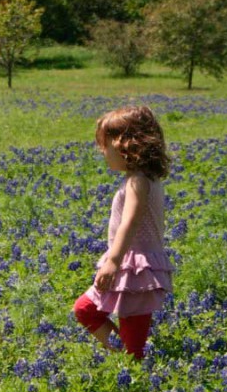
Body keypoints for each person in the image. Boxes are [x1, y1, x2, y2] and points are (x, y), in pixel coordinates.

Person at [73, 106, 173, 360]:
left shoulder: (139, 181)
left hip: (136, 268)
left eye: (105, 145)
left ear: (126, 146)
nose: (102, 151)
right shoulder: (140, 178)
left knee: (133, 340)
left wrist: (113, 261)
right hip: (128, 264)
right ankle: (124, 359)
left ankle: (133, 369)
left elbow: (130, 221)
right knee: (85, 310)